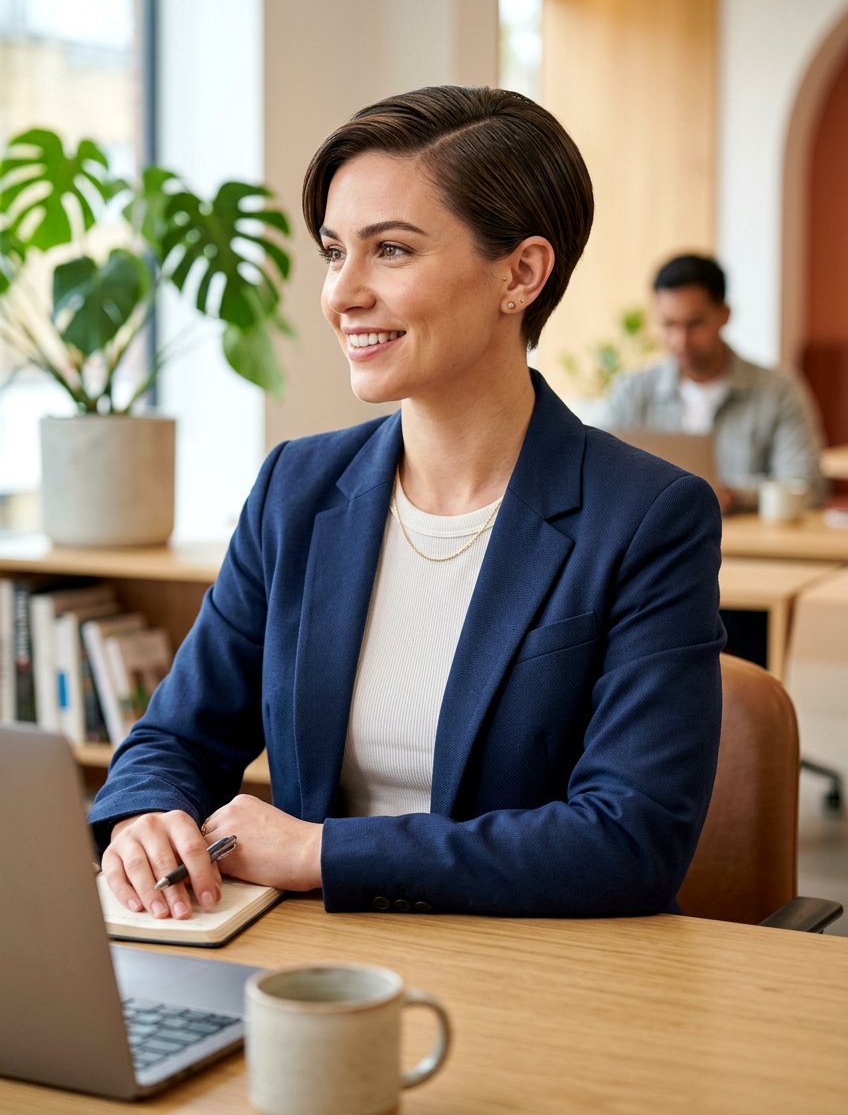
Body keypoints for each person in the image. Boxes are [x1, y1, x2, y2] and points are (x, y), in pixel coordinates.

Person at [90, 86, 724, 921]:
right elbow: (175, 737)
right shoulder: (296, 488)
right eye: (333, 252)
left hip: (532, 979)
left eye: (389, 251)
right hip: (308, 972)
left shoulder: (649, 516)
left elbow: (627, 840)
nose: (341, 294)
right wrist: (146, 818)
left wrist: (321, 853)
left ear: (520, 274)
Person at [606, 253, 826, 512]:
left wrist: (735, 495)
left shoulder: (778, 391)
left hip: (747, 547)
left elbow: (805, 484)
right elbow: (597, 475)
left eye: (694, 324)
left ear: (724, 314)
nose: (681, 341)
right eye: (669, 325)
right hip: (653, 543)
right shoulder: (632, 391)